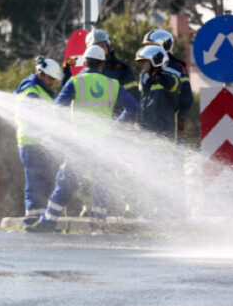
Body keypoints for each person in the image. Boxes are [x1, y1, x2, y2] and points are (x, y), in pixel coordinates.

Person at [26, 45, 138, 233]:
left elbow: (57, 109)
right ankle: (98, 227)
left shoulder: (75, 82)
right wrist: (115, 127)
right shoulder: (113, 85)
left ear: (85, 62)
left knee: (65, 182)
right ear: (102, 64)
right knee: (101, 184)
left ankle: (49, 222)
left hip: (79, 143)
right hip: (104, 143)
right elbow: (133, 108)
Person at [14, 56, 61, 228]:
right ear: (40, 73)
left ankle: (40, 219)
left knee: (45, 180)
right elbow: (33, 117)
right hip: (31, 142)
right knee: (35, 181)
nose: (52, 82)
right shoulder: (32, 91)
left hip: (41, 143)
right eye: (50, 78)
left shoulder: (42, 91)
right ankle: (32, 219)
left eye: (54, 80)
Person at [142, 28, 194, 143]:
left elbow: (186, 99)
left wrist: (178, 119)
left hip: (170, 123)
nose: (147, 49)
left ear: (162, 46)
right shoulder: (146, 69)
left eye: (150, 46)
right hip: (148, 126)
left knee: (173, 154)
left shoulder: (178, 67)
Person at [64, 29, 139, 101]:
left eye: (102, 46)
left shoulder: (121, 68)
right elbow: (67, 93)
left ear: (108, 48)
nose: (99, 50)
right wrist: (66, 69)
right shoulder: (81, 67)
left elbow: (133, 97)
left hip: (114, 113)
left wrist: (122, 114)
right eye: (95, 47)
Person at [135, 45, 180, 139]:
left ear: (154, 60)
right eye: (141, 62)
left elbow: (173, 86)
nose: (141, 64)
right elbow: (143, 108)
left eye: (144, 61)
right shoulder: (147, 83)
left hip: (164, 139)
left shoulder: (171, 79)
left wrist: (158, 73)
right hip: (147, 139)